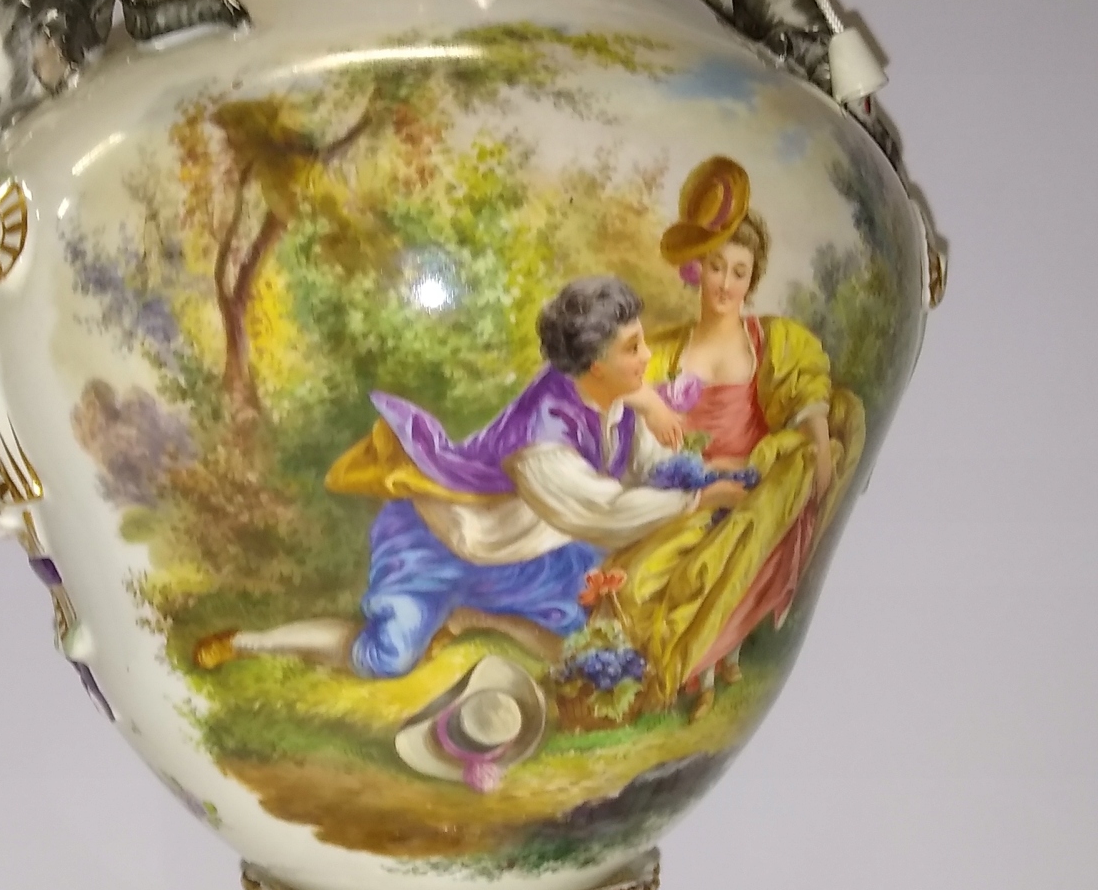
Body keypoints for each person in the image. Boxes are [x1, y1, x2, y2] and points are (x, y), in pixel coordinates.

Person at [195, 275, 750, 681]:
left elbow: (647, 464)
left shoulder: (617, 394)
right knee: (384, 659)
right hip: (441, 541)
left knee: (584, 645)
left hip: (522, 551)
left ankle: (474, 617)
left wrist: (698, 474)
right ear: (595, 365)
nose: (648, 356)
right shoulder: (541, 441)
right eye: (634, 348)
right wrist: (697, 499)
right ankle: (247, 642)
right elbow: (602, 512)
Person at [613, 157, 865, 715]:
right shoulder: (664, 351)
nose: (725, 283)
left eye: (739, 272)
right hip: (690, 496)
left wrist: (817, 461)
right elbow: (631, 430)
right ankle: (689, 667)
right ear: (696, 269)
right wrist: (696, 482)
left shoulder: (770, 341)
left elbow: (807, 401)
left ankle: (706, 664)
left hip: (753, 491)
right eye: (716, 267)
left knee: (732, 545)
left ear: (752, 279)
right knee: (635, 584)